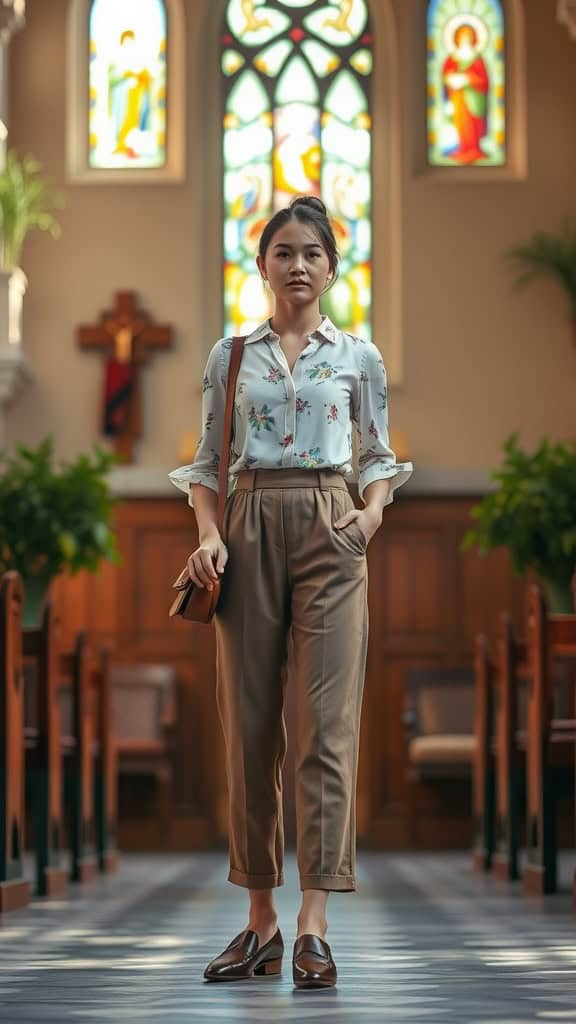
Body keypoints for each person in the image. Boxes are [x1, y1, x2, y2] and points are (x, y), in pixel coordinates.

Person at [168, 195, 413, 988]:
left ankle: (314, 922)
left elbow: (379, 456)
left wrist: (367, 521)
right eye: (284, 251)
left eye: (312, 252)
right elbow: (207, 465)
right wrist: (210, 537)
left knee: (327, 731)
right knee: (248, 731)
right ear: (264, 264)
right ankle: (260, 921)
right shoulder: (229, 356)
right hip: (245, 529)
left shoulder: (360, 358)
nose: (298, 264)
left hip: (333, 530)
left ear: (332, 267)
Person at [442, 23, 489, 164]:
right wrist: (452, 79)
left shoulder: (477, 59)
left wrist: (468, 79)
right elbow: (446, 74)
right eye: (463, 36)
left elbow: (483, 80)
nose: (465, 39)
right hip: (458, 98)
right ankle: (462, 149)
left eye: (468, 36)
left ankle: (474, 150)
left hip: (473, 99)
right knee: (461, 124)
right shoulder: (453, 58)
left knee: (472, 126)